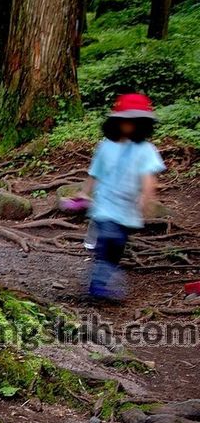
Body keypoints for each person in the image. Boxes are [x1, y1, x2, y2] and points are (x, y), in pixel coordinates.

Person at [81, 93, 165, 301]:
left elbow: (148, 178)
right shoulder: (105, 146)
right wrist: (84, 192)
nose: (129, 125)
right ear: (116, 122)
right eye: (125, 120)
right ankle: (98, 285)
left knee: (116, 249)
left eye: (135, 121)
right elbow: (95, 173)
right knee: (110, 239)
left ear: (143, 124)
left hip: (127, 210)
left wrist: (147, 199)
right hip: (105, 205)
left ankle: (97, 284)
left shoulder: (147, 150)